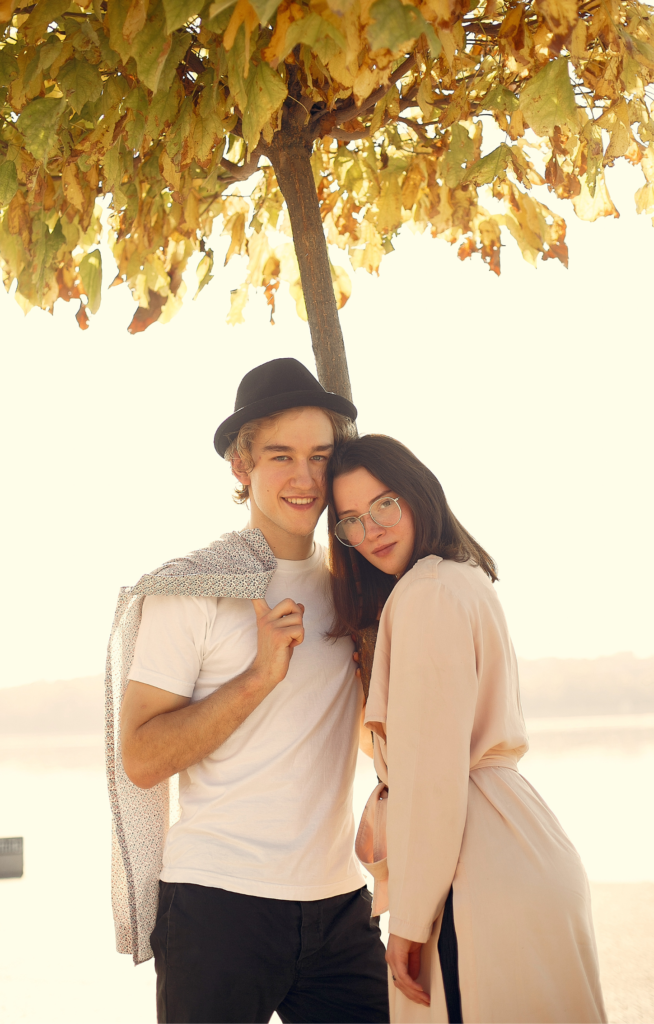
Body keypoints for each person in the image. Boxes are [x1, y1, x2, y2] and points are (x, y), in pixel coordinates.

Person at [110, 358, 389, 1024]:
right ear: (242, 467)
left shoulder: (357, 589)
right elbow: (142, 758)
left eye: (321, 456)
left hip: (339, 908)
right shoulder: (195, 589)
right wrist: (258, 679)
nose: (304, 477)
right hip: (218, 906)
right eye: (280, 456)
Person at [327, 434, 607, 1024]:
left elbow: (431, 777)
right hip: (515, 847)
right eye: (351, 519)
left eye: (384, 504)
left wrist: (407, 919)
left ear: (419, 493)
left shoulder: (426, 593)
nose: (371, 529)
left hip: (471, 875)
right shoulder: (460, 579)